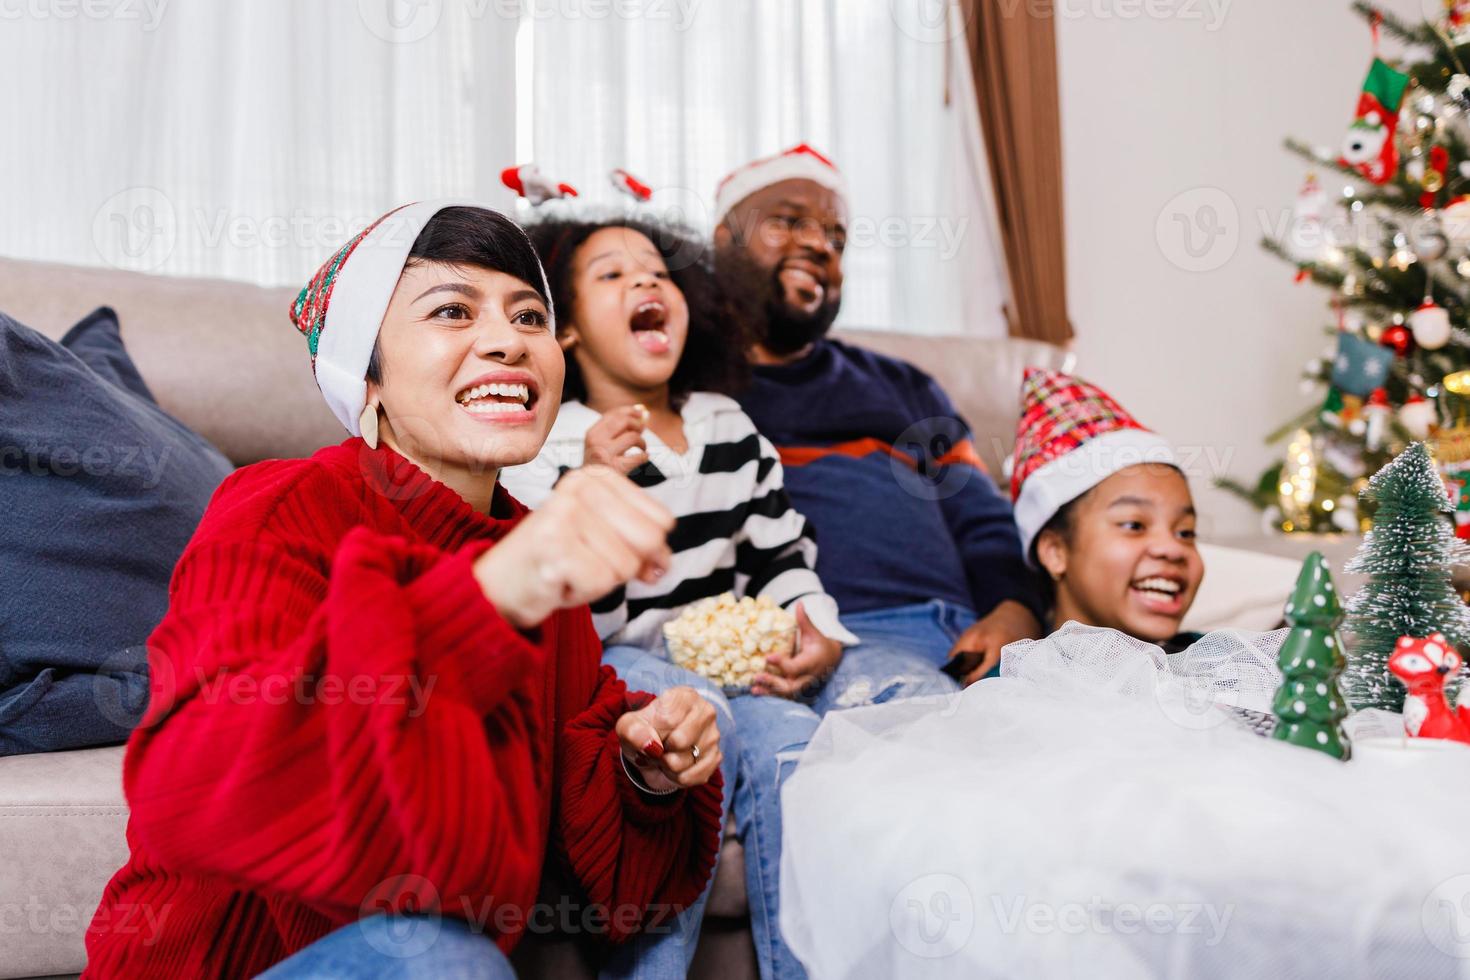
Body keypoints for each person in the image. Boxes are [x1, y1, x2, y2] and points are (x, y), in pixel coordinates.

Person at [82, 202, 723, 979]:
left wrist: (642, 772)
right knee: (439, 954)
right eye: (452, 311)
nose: (506, 341)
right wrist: (487, 601)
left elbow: (608, 894)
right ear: (369, 374)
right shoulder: (282, 511)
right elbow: (190, 789)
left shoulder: (540, 563)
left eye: (529, 317)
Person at [500, 213, 946, 980]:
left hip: (737, 675)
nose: (644, 280)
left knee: (790, 749)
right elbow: (552, 592)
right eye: (611, 274)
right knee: (695, 718)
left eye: (657, 271)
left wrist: (816, 628)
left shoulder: (728, 427)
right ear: (566, 333)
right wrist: (593, 483)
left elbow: (778, 555)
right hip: (621, 663)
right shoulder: (552, 444)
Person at [711, 144, 1045, 687]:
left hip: (951, 632)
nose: (819, 245)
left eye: (836, 237)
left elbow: (980, 514)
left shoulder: (903, 384)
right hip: (806, 647)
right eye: (788, 221)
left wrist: (1015, 610)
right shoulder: (685, 386)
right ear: (723, 239)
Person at [1011, 368, 1205, 650]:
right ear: (1055, 551)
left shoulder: (1218, 663)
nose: (1173, 549)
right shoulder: (1011, 687)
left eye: (1186, 533)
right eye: (1134, 526)